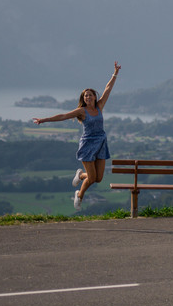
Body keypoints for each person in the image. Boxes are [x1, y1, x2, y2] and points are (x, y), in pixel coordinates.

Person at [34, 62, 120, 210]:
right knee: (92, 178)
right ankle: (79, 196)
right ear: (84, 98)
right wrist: (44, 120)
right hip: (88, 145)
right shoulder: (82, 111)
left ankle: (80, 175)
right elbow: (63, 116)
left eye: (90, 95)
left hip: (101, 144)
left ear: (94, 96)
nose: (88, 97)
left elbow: (108, 89)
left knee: (98, 179)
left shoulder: (99, 107)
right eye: (85, 96)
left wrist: (115, 73)